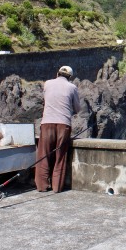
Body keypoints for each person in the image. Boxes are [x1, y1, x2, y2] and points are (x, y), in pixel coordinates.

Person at [35, 65, 81, 193]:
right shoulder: (72, 87)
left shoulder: (47, 84)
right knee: (60, 156)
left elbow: (46, 100)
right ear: (70, 77)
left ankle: (42, 186)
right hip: (63, 124)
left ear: (57, 73)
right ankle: (57, 187)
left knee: (43, 154)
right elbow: (77, 109)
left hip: (47, 123)